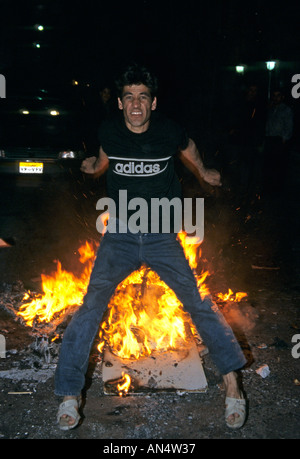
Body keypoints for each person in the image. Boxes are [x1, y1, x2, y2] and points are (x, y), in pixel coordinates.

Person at [55, 63, 247, 430]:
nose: (136, 104)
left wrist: (204, 173)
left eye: (143, 96)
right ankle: (68, 396)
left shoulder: (167, 131)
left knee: (198, 303)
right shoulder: (109, 131)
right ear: (121, 103)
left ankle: (234, 388)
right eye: (129, 97)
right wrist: (92, 167)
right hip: (120, 236)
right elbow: (103, 158)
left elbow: (187, 146)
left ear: (153, 103)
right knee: (91, 306)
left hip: (162, 235)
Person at [263, 88, 293, 194]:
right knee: (268, 165)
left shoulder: (286, 110)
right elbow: (267, 123)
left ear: (282, 97)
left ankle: (277, 189)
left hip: (279, 140)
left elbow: (289, 126)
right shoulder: (271, 108)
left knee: (278, 166)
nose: (276, 98)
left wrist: (284, 139)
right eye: (274, 95)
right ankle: (268, 187)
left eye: (278, 95)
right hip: (270, 139)